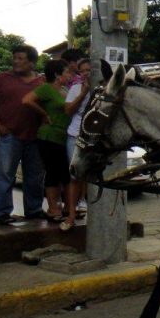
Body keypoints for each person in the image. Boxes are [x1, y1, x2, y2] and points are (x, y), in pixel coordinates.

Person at [0, 45, 46, 225]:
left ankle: (34, 210)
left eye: (21, 59)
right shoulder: (2, 78)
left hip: (34, 138)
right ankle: (0, 213)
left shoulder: (41, 82)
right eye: (15, 58)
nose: (16, 62)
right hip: (9, 136)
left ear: (32, 63)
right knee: (5, 175)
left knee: (35, 176)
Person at [23, 59, 72, 228]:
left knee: (63, 174)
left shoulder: (65, 90)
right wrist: (43, 114)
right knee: (53, 172)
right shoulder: (46, 88)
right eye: (66, 73)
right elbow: (27, 100)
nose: (69, 76)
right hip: (48, 136)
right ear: (58, 75)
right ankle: (53, 208)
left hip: (62, 136)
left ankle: (63, 206)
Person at [63, 58, 92, 230]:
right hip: (75, 135)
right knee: (74, 175)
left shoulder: (103, 89)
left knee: (87, 175)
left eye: (89, 70)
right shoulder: (75, 88)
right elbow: (68, 111)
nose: (86, 73)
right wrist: (82, 93)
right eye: (83, 71)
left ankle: (83, 203)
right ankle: (71, 215)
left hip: (93, 138)